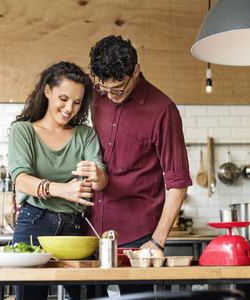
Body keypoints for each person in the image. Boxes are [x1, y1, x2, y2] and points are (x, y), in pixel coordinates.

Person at [87, 35, 193, 294]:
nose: (110, 96)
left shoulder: (163, 110)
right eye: (104, 89)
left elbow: (177, 184)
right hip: (89, 233)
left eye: (118, 88)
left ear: (136, 70)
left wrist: (157, 241)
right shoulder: (95, 98)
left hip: (138, 238)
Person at [8, 61, 108, 300]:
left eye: (76, 102)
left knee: (93, 295)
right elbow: (21, 180)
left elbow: (100, 180)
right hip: (33, 225)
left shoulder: (85, 134)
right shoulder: (23, 131)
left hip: (74, 229)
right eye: (63, 98)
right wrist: (64, 190)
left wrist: (99, 175)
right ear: (48, 91)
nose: (69, 108)